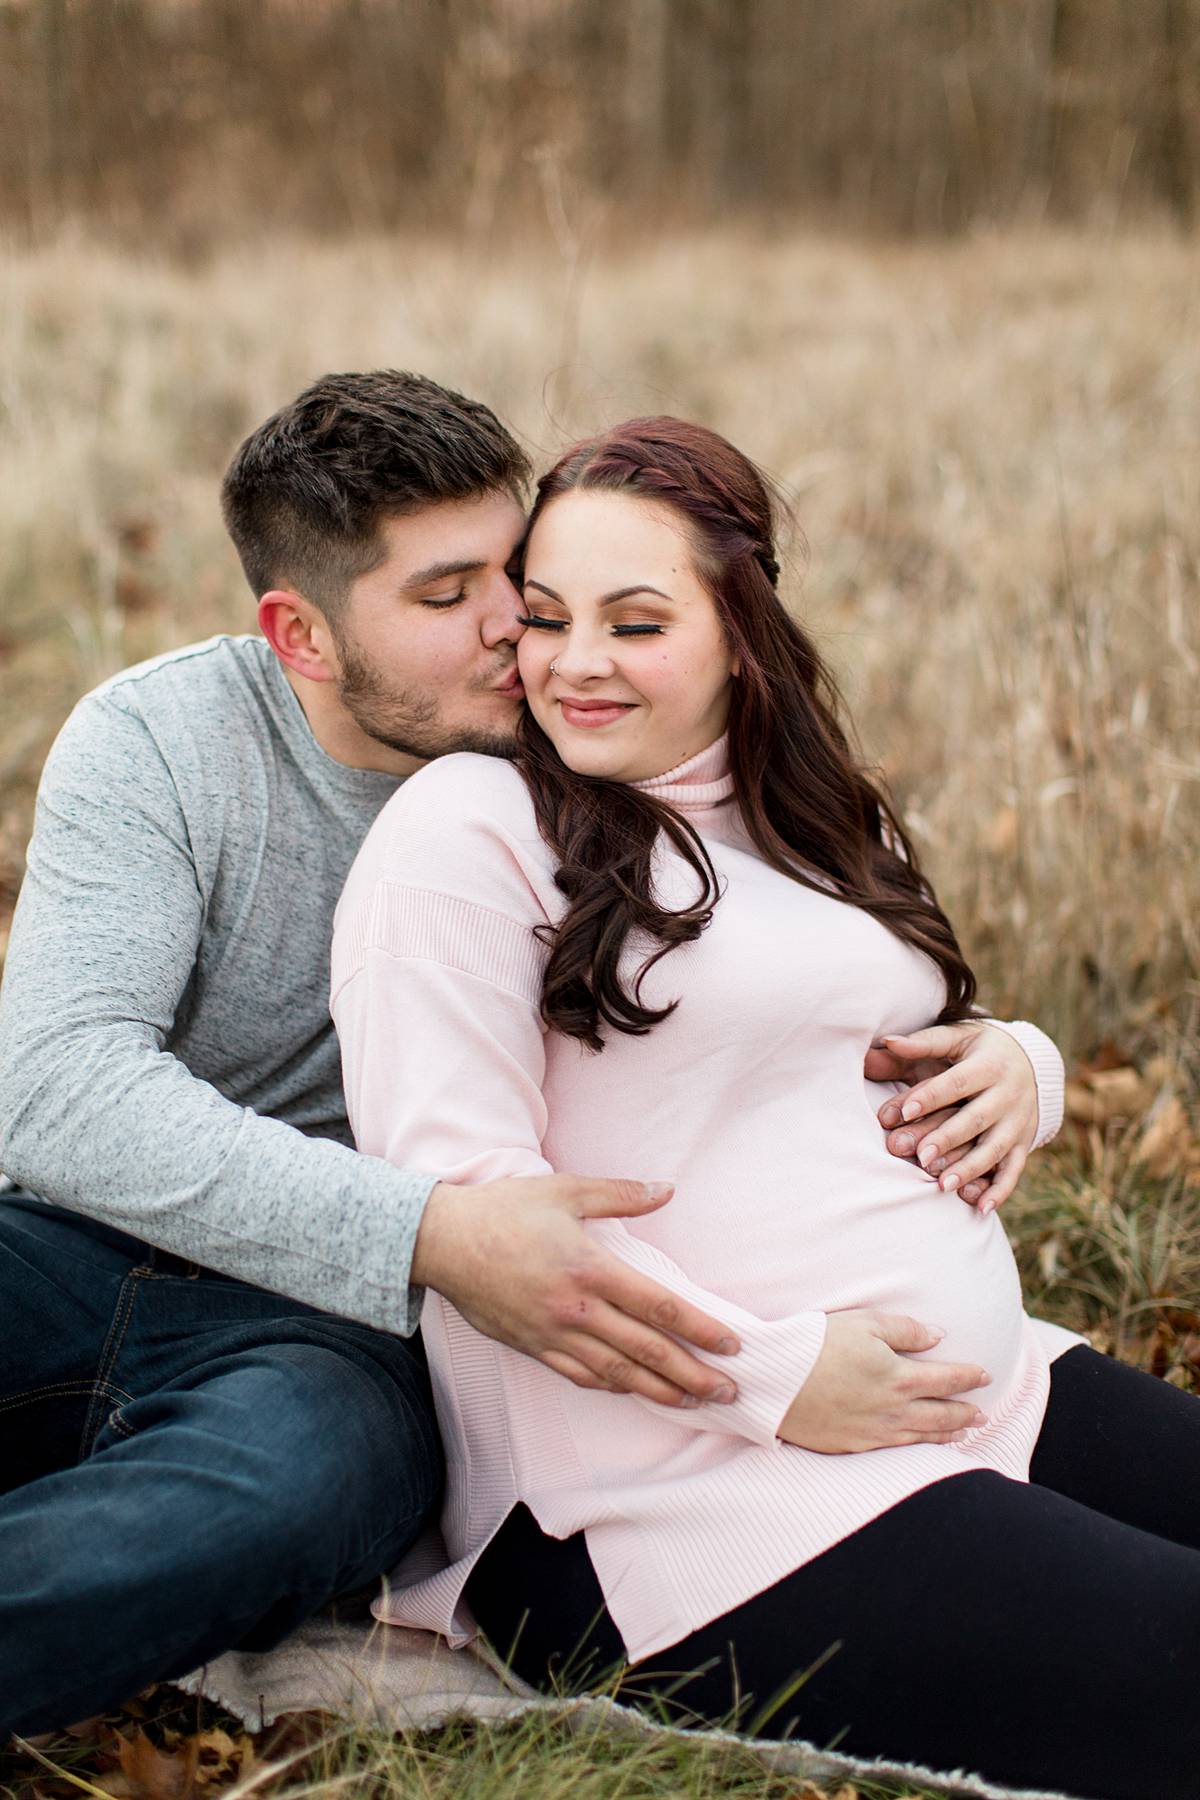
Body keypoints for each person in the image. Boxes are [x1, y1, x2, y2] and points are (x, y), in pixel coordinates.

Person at [0, 373, 1047, 1736]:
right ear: (299, 635)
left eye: (521, 573)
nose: (522, 633)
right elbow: (59, 1096)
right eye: (449, 598)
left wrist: (1022, 1052)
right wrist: (433, 1226)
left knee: (288, 1488)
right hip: (99, 1248)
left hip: (346, 1334)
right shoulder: (161, 743)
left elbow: (799, 974)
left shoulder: (587, 759)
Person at [333, 416, 1200, 1800]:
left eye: (636, 622)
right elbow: (472, 1228)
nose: (576, 664)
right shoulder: (470, 831)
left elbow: (888, 1037)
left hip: (986, 1387)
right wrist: (775, 1379)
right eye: (545, 620)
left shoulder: (816, 815)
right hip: (677, 1496)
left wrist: (1024, 1068)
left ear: (741, 630)